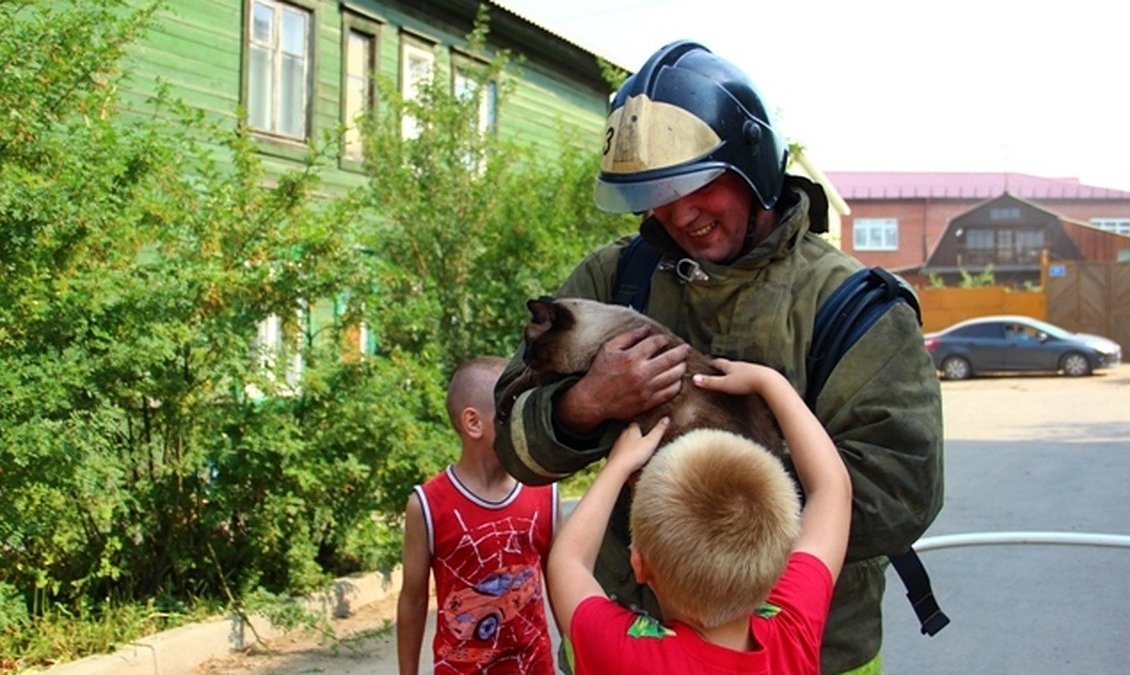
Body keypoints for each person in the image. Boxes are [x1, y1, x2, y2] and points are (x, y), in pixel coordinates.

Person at [494, 40, 944, 674]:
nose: (680, 213)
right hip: (655, 636)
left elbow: (901, 493)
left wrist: (704, 543)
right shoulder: (611, 281)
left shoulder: (850, 306)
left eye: (698, 182)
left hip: (816, 653)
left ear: (753, 164)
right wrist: (585, 404)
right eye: (657, 191)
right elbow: (512, 438)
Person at [548, 359, 852, 673]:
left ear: (639, 564)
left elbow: (568, 561)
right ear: (780, 562)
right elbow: (832, 488)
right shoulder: (791, 630)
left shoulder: (626, 655)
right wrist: (771, 383)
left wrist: (618, 466)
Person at [397, 356, 560, 674]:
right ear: (473, 423)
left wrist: (578, 654)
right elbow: (413, 601)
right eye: (512, 412)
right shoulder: (428, 505)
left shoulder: (545, 493)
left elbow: (560, 583)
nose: (524, 423)